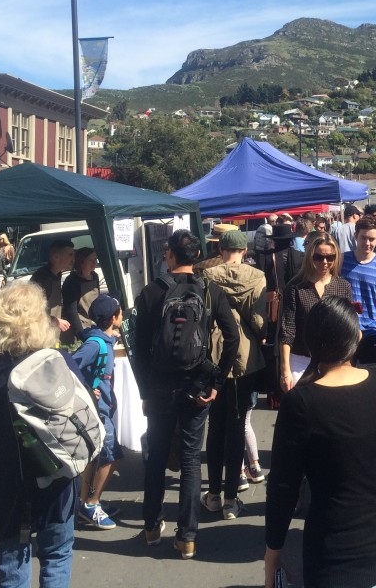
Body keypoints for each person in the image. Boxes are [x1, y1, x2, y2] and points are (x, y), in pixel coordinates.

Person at [264, 296, 376, 588]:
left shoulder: (300, 403)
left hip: (330, 555)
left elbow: (283, 488)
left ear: (311, 344)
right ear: (356, 337)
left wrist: (272, 556)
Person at [133, 229, 240, 560]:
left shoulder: (152, 291)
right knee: (192, 459)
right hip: (197, 386)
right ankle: (187, 537)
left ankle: (152, 527)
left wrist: (144, 391)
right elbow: (232, 337)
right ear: (196, 256)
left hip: (161, 386)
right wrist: (216, 382)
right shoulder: (209, 289)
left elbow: (138, 349)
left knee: (157, 455)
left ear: (169, 255)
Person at [0, 282, 80, 587]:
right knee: (56, 553)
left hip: (5, 478)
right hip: (55, 473)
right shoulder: (59, 362)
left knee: (10, 558)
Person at [202, 228, 268, 520]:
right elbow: (258, 318)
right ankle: (231, 500)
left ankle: (213, 494)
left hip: (213, 354)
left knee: (215, 426)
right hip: (244, 356)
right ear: (244, 251)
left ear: (221, 250)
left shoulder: (207, 275)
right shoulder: (256, 277)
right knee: (238, 424)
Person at [71, 293, 124, 532]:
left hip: (102, 409)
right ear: (113, 317)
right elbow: (70, 366)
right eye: (120, 312)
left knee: (95, 457)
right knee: (111, 457)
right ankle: (91, 504)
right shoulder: (95, 344)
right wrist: (86, 389)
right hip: (97, 411)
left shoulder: (103, 340)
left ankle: (84, 503)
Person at [278, 232, 351, 390]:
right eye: (319, 257)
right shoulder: (296, 287)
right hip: (301, 358)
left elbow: (347, 329)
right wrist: (285, 370)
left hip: (334, 360)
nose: (324, 262)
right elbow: (287, 330)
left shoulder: (343, 286)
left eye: (330, 257)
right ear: (310, 256)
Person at [341, 215, 376, 365]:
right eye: (363, 238)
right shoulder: (341, 261)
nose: (367, 243)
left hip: (373, 333)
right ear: (355, 236)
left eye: (371, 239)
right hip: (346, 332)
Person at [30, 239, 75, 344]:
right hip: (40, 338)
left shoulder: (57, 274)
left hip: (52, 335)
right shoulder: (42, 279)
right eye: (70, 255)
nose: (73, 259)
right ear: (56, 257)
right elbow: (31, 311)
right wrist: (55, 320)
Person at [61, 247, 100, 336]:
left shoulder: (95, 276)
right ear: (81, 262)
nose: (94, 263)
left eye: (95, 259)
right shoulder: (72, 281)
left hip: (95, 325)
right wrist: (80, 334)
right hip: (81, 327)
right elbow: (71, 311)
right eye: (90, 260)